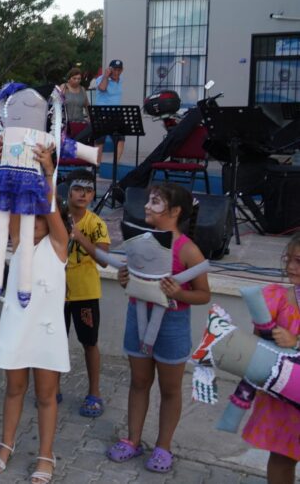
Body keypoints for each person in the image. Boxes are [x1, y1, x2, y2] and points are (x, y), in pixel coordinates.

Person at [106, 183, 210, 474]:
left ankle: (164, 446)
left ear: (174, 211)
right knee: (139, 381)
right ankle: (133, 439)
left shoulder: (188, 250)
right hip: (138, 317)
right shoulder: (141, 241)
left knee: (170, 388)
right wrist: (125, 280)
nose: (147, 207)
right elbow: (134, 280)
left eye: (155, 202)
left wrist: (179, 293)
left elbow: (203, 294)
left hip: (172, 325)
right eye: (149, 201)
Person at [0, 144, 70, 484]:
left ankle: (46, 454)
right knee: (14, 388)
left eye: (39, 217)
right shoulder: (19, 242)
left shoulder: (58, 246)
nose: (32, 221)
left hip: (46, 333)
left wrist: (48, 172)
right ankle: (6, 443)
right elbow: (11, 204)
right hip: (18, 327)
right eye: (27, 216)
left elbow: (49, 206)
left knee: (46, 395)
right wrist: (9, 164)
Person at [241, 235, 300, 484]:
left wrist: (296, 342)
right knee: (282, 455)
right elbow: (258, 342)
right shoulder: (277, 298)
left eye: (299, 261)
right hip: (283, 396)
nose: (290, 267)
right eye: (289, 259)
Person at [62, 170, 110, 418]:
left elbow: (103, 260)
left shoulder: (96, 224)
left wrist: (79, 237)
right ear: (69, 191)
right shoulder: (57, 217)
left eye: (89, 190)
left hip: (85, 293)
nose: (83, 194)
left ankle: (94, 393)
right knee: (56, 341)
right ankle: (51, 388)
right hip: (57, 291)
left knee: (89, 343)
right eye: (78, 189)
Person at [91, 59, 125, 165]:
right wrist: (106, 76)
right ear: (110, 69)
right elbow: (102, 88)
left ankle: (116, 163)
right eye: (114, 69)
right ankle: (97, 164)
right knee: (100, 140)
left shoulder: (120, 79)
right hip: (101, 113)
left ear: (122, 70)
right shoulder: (102, 79)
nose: (116, 72)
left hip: (115, 114)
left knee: (120, 138)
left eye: (119, 70)